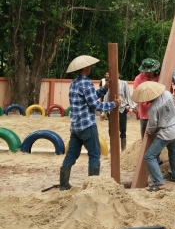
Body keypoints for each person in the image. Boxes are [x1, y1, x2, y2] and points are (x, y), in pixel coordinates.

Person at [60, 55, 120, 190]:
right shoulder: (86, 83)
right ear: (86, 68)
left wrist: (104, 88)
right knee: (94, 154)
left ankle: (63, 185)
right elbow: (95, 105)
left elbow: (89, 97)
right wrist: (113, 105)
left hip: (76, 126)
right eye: (89, 66)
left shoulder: (74, 82)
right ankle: (93, 186)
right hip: (87, 125)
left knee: (71, 154)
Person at [132, 81, 175, 190]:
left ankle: (159, 183)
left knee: (149, 156)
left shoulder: (153, 108)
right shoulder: (167, 94)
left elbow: (153, 126)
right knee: (173, 151)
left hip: (166, 132)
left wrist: (150, 131)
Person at [101, 76, 136, 151]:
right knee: (111, 130)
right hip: (111, 110)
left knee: (123, 129)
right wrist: (103, 112)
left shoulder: (124, 83)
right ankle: (113, 148)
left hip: (122, 109)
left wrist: (131, 107)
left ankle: (123, 149)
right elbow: (105, 99)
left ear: (118, 74)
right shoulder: (108, 84)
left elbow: (128, 96)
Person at [133, 58, 161, 139]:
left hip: (159, 112)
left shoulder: (160, 78)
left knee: (158, 137)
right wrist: (147, 98)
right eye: (146, 71)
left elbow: (167, 91)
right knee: (145, 136)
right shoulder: (139, 79)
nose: (148, 73)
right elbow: (136, 94)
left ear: (155, 69)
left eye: (150, 71)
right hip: (145, 113)